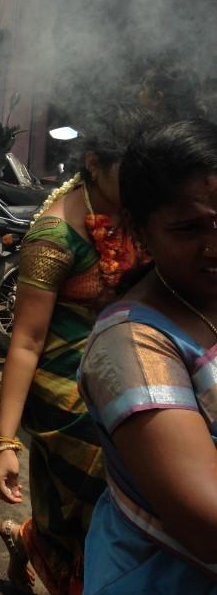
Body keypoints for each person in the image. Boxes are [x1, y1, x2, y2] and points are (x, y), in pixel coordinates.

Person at [0, 104, 165, 594]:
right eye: (126, 174)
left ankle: (37, 546)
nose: (138, 186)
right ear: (93, 163)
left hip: (133, 371)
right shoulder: (53, 234)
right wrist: (5, 443)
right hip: (67, 393)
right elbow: (25, 340)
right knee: (111, 501)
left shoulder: (142, 213)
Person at [79, 119, 217, 593]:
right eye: (188, 228)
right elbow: (207, 521)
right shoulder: (132, 343)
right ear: (139, 231)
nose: (215, 245)